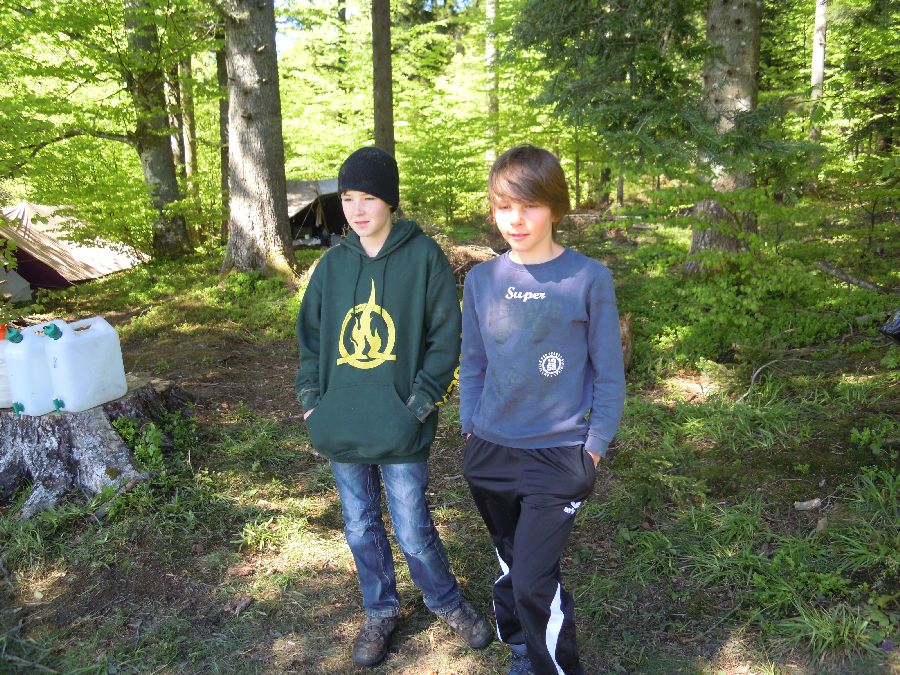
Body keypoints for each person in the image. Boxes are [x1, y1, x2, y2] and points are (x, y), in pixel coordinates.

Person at [296, 146, 492, 668]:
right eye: (348, 199)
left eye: (368, 197)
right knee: (359, 525)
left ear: (390, 201)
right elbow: (311, 340)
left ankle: (444, 600)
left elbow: (444, 337)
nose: (357, 209)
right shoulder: (332, 266)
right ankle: (380, 610)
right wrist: (313, 402)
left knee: (412, 527)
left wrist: (420, 403)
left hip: (401, 423)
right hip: (342, 422)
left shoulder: (422, 257)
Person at [460, 145, 626, 675]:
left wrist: (592, 449)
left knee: (534, 579)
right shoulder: (483, 280)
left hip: (558, 456)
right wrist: (470, 429)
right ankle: (519, 647)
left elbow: (609, 373)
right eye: (503, 206)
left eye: (529, 205)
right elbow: (474, 362)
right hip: (490, 451)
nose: (515, 219)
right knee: (511, 562)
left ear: (555, 207)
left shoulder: (588, 278)